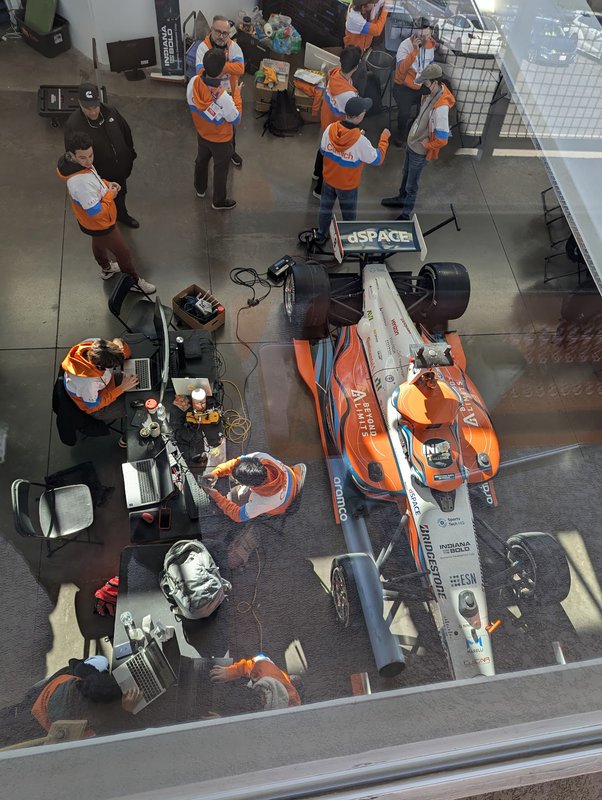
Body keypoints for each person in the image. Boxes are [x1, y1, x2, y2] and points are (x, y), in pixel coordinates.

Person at [57, 131, 155, 293]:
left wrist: (106, 184)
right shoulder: (79, 183)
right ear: (71, 155)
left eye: (91, 155)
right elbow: (94, 211)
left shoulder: (79, 167)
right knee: (123, 253)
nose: (89, 161)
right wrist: (110, 195)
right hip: (101, 223)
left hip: (91, 224)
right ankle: (134, 282)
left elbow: (94, 180)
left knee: (98, 241)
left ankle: (106, 268)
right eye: (83, 157)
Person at [0, 656, 141, 746]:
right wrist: (126, 711)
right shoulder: (87, 726)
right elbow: (115, 738)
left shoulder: (72, 684)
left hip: (27, 710)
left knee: (101, 662)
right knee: (102, 661)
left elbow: (75, 665)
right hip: (28, 718)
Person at [381, 63, 455, 220]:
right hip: (412, 143)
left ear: (435, 83)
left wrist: (427, 145)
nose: (424, 86)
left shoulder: (441, 108)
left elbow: (442, 139)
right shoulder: (431, 94)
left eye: (426, 83)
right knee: (405, 174)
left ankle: (405, 214)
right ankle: (401, 199)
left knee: (411, 185)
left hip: (419, 151)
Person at [64, 83, 140, 228]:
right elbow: (72, 155)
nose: (93, 112)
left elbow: (126, 132)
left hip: (119, 169)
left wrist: (130, 154)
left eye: (95, 107)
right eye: (88, 108)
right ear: (80, 103)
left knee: (121, 193)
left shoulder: (111, 112)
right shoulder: (73, 125)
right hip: (99, 175)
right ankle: (108, 224)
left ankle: (122, 215)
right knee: (104, 202)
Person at [316, 96, 390, 243]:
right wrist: (384, 138)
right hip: (347, 187)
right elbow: (377, 159)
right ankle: (348, 240)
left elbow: (323, 151)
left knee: (325, 209)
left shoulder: (330, 129)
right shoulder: (361, 142)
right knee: (348, 215)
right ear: (359, 116)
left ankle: (321, 234)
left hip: (328, 181)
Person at [187, 48, 242, 211]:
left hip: (202, 134)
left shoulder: (193, 82)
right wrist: (237, 94)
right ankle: (218, 201)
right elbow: (236, 119)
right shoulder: (223, 97)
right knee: (220, 169)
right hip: (221, 141)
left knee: (201, 161)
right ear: (222, 71)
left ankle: (200, 188)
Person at [313, 45, 362, 199]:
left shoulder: (334, 73)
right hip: (336, 129)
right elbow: (354, 115)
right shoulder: (349, 95)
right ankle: (319, 190)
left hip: (326, 122)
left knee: (322, 149)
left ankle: (316, 172)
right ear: (356, 66)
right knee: (330, 159)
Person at [195, 15, 244, 168]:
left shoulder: (234, 47)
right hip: (209, 96)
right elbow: (200, 72)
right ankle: (206, 155)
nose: (222, 36)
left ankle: (231, 152)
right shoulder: (203, 47)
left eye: (225, 33)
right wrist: (229, 65)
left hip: (228, 95)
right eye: (218, 32)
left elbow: (240, 69)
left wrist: (217, 65)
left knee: (230, 126)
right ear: (211, 30)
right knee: (209, 125)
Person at [202, 452, 306, 522]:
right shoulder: (261, 457)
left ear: (251, 486)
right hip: (293, 479)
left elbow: (238, 515)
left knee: (238, 496)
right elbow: (237, 462)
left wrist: (216, 496)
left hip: (283, 505)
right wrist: (217, 472)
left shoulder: (262, 501)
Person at [61, 337, 137, 423]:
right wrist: (121, 388)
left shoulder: (95, 344)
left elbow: (121, 347)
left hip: (107, 384)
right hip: (99, 407)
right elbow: (94, 405)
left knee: (138, 382)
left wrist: (119, 344)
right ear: (102, 368)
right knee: (135, 407)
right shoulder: (88, 383)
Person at [392, 19, 436, 147]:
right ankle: (401, 135)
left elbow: (430, 66)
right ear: (415, 35)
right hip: (403, 86)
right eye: (422, 36)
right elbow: (401, 70)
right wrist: (415, 52)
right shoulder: (404, 46)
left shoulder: (430, 45)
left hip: (421, 84)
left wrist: (430, 81)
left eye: (428, 35)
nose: (426, 39)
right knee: (405, 113)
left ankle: (417, 127)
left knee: (436, 98)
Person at [210, 654, 301, 709]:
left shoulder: (269, 670)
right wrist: (230, 672)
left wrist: (223, 718)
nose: (263, 699)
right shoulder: (266, 669)